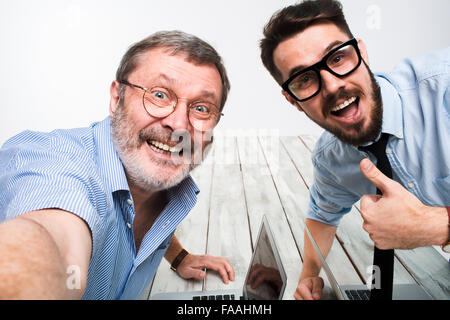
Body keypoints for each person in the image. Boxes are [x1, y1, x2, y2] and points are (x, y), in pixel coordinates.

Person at [0, 30, 235, 299]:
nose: (179, 125)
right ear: (116, 98)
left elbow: (137, 214)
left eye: (202, 108)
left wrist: (179, 257)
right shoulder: (56, 164)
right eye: (159, 95)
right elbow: (54, 243)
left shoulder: (162, 183)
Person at [260, 0, 449, 300]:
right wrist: (310, 274)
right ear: (292, 100)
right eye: (305, 79)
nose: (333, 86)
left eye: (337, 58)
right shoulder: (331, 159)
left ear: (361, 52)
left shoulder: (444, 89)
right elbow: (322, 216)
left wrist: (438, 225)